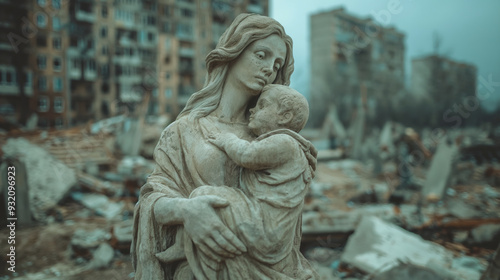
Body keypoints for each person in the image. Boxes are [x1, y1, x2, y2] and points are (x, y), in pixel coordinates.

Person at [131, 13, 317, 279]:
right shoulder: (183, 131)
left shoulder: (274, 138)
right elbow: (153, 199)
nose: (269, 69)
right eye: (261, 54)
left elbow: (284, 220)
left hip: (271, 264)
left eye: (277, 64)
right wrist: (187, 211)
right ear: (235, 51)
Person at [172, 84, 317, 279]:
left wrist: (227, 139)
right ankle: (188, 253)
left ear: (284, 117)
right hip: (267, 225)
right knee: (205, 200)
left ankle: (204, 267)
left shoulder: (285, 143)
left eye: (262, 105)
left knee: (203, 197)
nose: (252, 109)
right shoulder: (288, 145)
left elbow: (247, 155)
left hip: (264, 225)